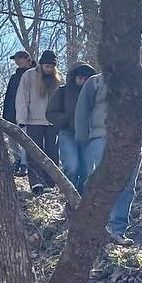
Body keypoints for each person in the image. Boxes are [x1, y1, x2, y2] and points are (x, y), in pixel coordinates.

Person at [74, 71, 138, 243]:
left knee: (128, 185)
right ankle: (102, 227)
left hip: (131, 140)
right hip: (102, 136)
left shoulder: (136, 80)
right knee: (105, 181)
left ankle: (118, 230)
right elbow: (82, 109)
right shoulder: (95, 81)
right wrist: (82, 137)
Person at [15, 49, 61, 194]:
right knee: (34, 152)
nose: (49, 69)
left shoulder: (58, 79)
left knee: (52, 153)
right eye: (47, 66)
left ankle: (49, 183)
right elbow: (22, 98)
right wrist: (21, 120)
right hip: (33, 120)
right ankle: (35, 183)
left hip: (53, 122)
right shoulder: (29, 76)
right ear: (41, 65)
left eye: (52, 67)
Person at [47, 62, 97, 192]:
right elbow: (50, 113)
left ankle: (82, 200)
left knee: (87, 171)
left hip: (88, 136)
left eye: (86, 78)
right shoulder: (62, 92)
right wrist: (68, 119)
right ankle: (71, 195)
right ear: (74, 77)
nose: (83, 80)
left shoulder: (94, 94)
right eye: (80, 77)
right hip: (68, 134)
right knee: (71, 166)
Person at [1, 50, 32, 176]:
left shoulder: (33, 75)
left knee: (25, 138)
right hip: (11, 112)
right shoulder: (14, 77)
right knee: (12, 138)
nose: (18, 61)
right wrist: (5, 114)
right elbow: (8, 96)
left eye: (20, 58)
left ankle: (24, 164)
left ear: (27, 59)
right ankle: (17, 159)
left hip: (27, 113)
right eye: (16, 59)